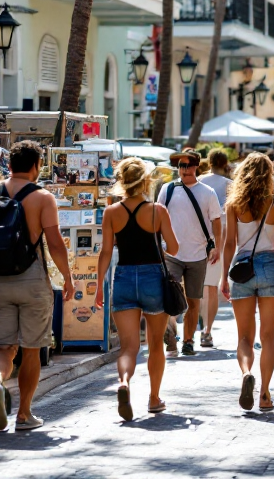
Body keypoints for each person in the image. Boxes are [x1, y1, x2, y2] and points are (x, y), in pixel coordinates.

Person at [0, 141, 74, 432]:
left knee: (2, 347)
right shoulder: (42, 197)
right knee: (31, 349)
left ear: (10, 165)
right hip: (32, 280)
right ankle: (24, 414)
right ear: (37, 166)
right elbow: (54, 244)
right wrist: (68, 277)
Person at [95, 157, 178, 420]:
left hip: (124, 278)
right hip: (154, 276)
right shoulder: (157, 211)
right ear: (145, 181)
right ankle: (154, 399)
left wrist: (99, 287)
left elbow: (106, 252)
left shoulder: (111, 212)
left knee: (129, 347)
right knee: (155, 344)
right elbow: (174, 248)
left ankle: (124, 383)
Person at [220, 153, 274, 412]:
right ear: (269, 174)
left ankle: (246, 373)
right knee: (268, 337)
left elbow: (229, 244)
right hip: (270, 265)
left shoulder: (234, 204)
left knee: (245, 337)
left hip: (242, 269)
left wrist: (223, 277)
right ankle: (264, 394)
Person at [158, 149, 222, 357]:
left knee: (194, 301)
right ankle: (171, 336)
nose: (184, 170)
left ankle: (188, 341)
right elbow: (158, 219)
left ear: (197, 166)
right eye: (181, 166)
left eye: (188, 165)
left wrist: (216, 246)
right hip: (172, 255)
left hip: (197, 255)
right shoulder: (167, 190)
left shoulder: (207, 192)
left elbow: (216, 221)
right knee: (169, 299)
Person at [199, 150, 232, 347]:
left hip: (196, 237)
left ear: (209, 162)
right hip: (219, 239)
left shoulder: (199, 181)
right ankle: (207, 331)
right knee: (211, 288)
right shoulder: (230, 185)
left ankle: (190, 327)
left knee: (197, 287)